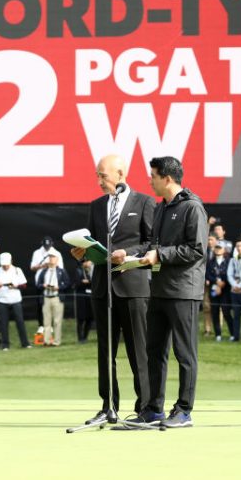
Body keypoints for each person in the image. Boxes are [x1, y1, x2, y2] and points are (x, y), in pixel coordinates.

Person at [116, 155, 208, 429]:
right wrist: (129, 255)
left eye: (153, 176)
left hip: (184, 291)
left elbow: (196, 250)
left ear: (167, 178)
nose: (149, 181)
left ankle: (183, 410)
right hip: (158, 290)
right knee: (154, 351)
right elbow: (150, 246)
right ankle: (153, 409)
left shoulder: (193, 208)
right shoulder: (162, 208)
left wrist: (160, 255)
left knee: (184, 353)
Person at [70, 154, 155, 423]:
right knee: (105, 352)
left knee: (137, 350)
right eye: (97, 175)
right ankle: (109, 407)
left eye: (103, 176)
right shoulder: (96, 206)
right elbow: (95, 242)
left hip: (132, 287)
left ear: (120, 174)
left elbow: (152, 242)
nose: (98, 181)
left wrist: (126, 252)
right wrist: (82, 251)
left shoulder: (144, 202)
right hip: (102, 288)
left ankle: (145, 408)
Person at [0, 252, 30, 351]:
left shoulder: (17, 270)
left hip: (15, 299)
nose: (5, 267)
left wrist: (16, 286)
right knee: (3, 323)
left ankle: (25, 343)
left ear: (11, 262)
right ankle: (5, 345)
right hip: (2, 300)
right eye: (3, 265)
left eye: (7, 265)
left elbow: (24, 285)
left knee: (20, 321)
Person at [35, 254, 71, 346]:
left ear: (57, 259)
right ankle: (46, 341)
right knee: (46, 321)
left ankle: (56, 341)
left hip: (57, 298)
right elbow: (38, 284)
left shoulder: (61, 271)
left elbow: (67, 283)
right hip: (46, 298)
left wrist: (59, 287)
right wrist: (43, 286)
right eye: (50, 258)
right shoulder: (44, 271)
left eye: (53, 257)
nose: (51, 259)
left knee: (57, 321)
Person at [205, 241, 233, 341]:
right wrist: (216, 281)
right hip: (214, 289)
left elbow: (230, 273)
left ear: (224, 249)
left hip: (225, 290)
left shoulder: (229, 261)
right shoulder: (210, 262)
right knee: (215, 312)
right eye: (216, 247)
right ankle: (218, 334)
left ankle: (232, 334)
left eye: (220, 248)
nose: (218, 249)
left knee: (226, 312)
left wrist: (222, 283)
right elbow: (207, 274)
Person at [73, 258, 95, 343]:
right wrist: (84, 282)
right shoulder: (78, 270)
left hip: (90, 297)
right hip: (81, 298)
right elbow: (77, 283)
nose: (89, 263)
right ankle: (80, 338)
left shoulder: (92, 270)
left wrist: (88, 281)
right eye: (88, 261)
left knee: (89, 318)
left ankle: (85, 337)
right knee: (81, 318)